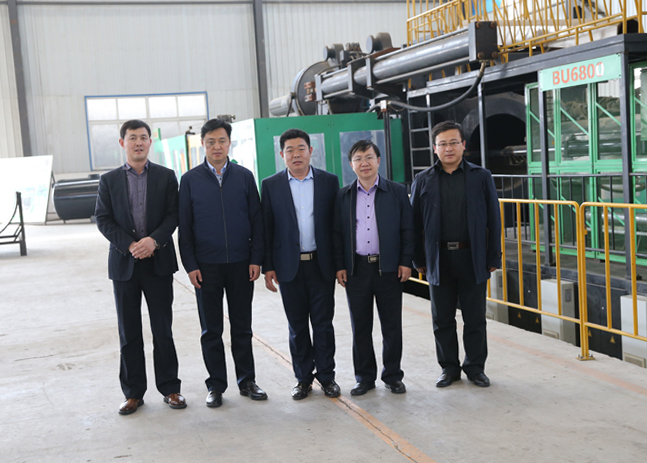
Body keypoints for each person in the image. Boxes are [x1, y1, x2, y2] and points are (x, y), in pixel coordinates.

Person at [95, 119, 186, 415]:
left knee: (163, 329)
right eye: (132, 137)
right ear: (122, 143)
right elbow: (103, 219)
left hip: (158, 263)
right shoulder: (109, 180)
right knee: (129, 331)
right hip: (125, 265)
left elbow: (174, 215)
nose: (138, 142)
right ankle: (133, 393)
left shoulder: (166, 176)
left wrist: (153, 241)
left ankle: (170, 388)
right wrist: (130, 245)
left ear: (150, 142)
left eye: (143, 137)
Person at [178, 118, 267, 408]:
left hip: (241, 264)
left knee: (242, 327)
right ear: (202, 144)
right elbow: (185, 227)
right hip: (206, 267)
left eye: (222, 141)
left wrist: (256, 259)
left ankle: (247, 381)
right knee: (211, 330)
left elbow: (257, 220)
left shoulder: (244, 177)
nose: (217, 146)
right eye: (211, 142)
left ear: (230, 143)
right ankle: (216, 385)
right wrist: (191, 265)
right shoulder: (190, 180)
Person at [410, 120, 501, 388]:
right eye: (442, 144)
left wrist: (493, 257)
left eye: (453, 142)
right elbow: (414, 224)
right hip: (438, 259)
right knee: (442, 319)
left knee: (475, 318)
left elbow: (494, 219)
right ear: (434, 148)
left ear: (463, 145)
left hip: (472, 257)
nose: (448, 148)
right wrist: (418, 259)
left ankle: (475, 368)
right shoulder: (423, 180)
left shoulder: (481, 176)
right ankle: (449, 368)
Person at [261, 128, 341, 400]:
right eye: (290, 150)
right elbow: (267, 229)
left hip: (321, 265)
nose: (296, 155)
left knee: (323, 324)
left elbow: (336, 227)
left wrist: (339, 264)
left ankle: (327, 377)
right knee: (297, 326)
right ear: (281, 154)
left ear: (310, 151)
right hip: (288, 267)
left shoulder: (329, 181)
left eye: (301, 149)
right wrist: (268, 267)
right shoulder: (271, 185)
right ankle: (303, 379)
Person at [333, 140, 414, 396]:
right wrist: (340, 265)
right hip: (356, 270)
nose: (364, 163)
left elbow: (408, 229)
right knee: (360, 327)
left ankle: (393, 376)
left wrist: (405, 261)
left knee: (392, 326)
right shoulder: (344, 195)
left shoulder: (397, 192)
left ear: (378, 161)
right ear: (351, 165)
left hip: (388, 269)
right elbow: (337, 234)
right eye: (358, 159)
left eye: (369, 157)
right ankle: (364, 378)